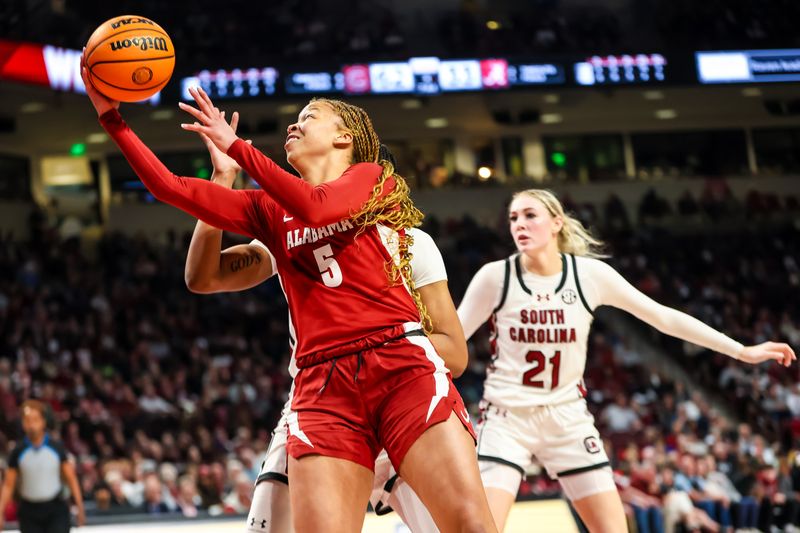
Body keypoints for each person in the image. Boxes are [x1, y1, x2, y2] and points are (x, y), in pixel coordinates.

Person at [82, 59, 496, 533]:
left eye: (310, 116)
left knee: (472, 527)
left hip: (400, 365)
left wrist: (239, 145)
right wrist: (111, 118)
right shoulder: (268, 210)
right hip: (322, 383)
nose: (293, 124)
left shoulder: (369, 179)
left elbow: (317, 208)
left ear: (344, 138)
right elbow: (169, 187)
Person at [457, 188, 795, 532]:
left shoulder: (588, 275)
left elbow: (663, 317)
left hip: (567, 418)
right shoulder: (494, 277)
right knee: (481, 529)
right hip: (507, 419)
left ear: (557, 222)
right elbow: (452, 344)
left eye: (530, 215)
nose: (520, 224)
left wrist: (741, 350)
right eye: (514, 218)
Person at [184, 126, 443, 531]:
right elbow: (204, 277)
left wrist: (384, 355)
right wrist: (222, 179)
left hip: (399, 398)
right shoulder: (295, 233)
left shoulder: (413, 243)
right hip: (318, 406)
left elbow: (455, 351)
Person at [0, 400, 85, 532]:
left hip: (55, 508)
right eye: (27, 420)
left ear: (43, 421)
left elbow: (71, 478)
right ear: (22, 423)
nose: (31, 424)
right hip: (29, 510)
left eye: (35, 419)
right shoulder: (18, 451)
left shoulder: (56, 447)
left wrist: (80, 507)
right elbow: (8, 485)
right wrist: (1, 511)